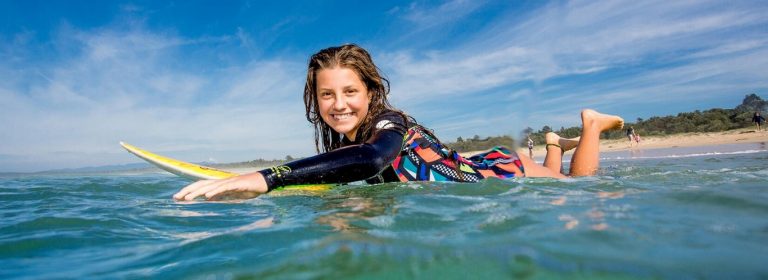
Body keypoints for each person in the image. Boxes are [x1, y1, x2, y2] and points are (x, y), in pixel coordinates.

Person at [173, 44, 624, 201]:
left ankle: (589, 126)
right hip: (480, 164)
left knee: (579, 186)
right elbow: (343, 171)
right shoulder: (342, 142)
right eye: (326, 94)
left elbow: (372, 160)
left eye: (350, 92)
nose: (338, 104)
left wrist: (268, 178)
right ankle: (552, 143)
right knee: (561, 175)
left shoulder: (389, 125)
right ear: (315, 99)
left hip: (496, 171)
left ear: (370, 92)